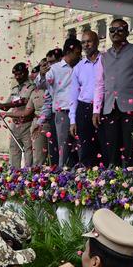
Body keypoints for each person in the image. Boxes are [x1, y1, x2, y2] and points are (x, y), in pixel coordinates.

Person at [92, 19, 133, 167]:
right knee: (112, 148)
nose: (115, 33)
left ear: (126, 31)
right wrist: (96, 110)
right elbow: (100, 84)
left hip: (132, 107)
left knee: (132, 147)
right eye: (112, 30)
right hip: (109, 108)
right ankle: (115, 181)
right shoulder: (104, 57)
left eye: (120, 29)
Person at [68, 30, 104, 167]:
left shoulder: (106, 60)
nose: (86, 45)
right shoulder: (78, 67)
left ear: (97, 42)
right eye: (83, 42)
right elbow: (73, 94)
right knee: (86, 147)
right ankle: (88, 178)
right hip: (84, 108)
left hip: (103, 107)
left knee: (103, 145)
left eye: (89, 41)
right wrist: (72, 120)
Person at [45, 39, 80, 169]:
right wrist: (42, 75)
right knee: (63, 145)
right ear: (68, 52)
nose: (79, 56)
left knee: (80, 144)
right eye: (77, 53)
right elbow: (42, 84)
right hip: (63, 111)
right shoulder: (54, 68)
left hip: (78, 110)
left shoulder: (80, 66)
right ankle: (62, 172)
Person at [0, 63, 36, 168]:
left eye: (19, 74)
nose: (17, 77)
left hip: (27, 124)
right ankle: (14, 176)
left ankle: (27, 176)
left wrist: (2, 106)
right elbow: (6, 107)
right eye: (15, 74)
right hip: (15, 125)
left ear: (26, 73)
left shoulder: (31, 87)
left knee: (28, 152)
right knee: (14, 152)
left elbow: (22, 102)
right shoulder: (15, 88)